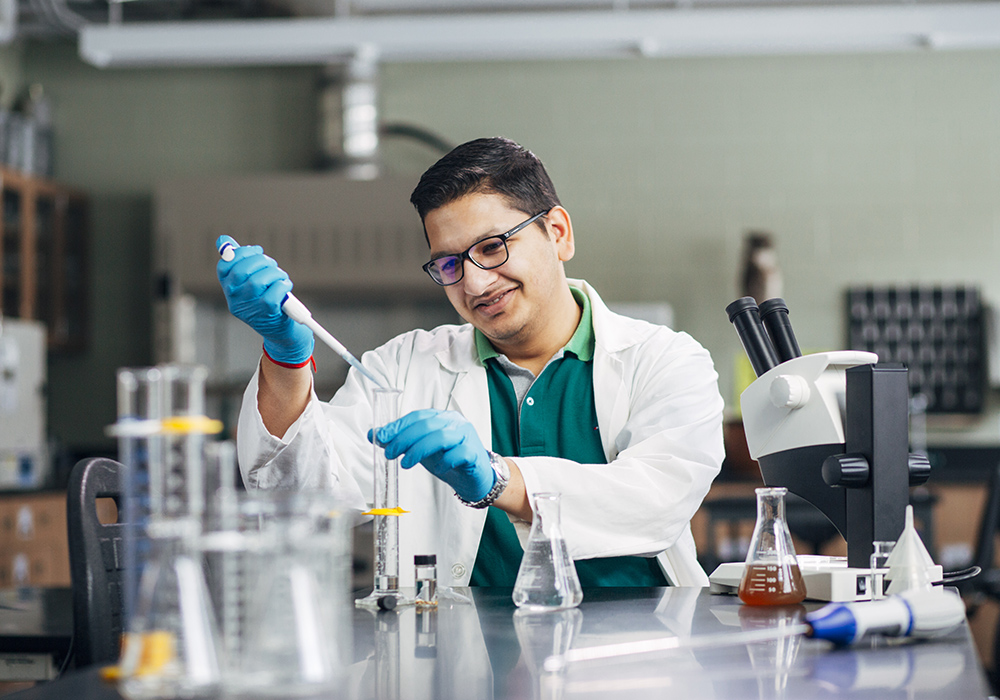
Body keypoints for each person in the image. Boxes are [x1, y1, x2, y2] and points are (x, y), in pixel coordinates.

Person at [217, 137, 724, 588]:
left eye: (493, 247)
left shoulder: (665, 360)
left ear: (559, 232)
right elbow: (304, 498)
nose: (475, 284)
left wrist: (498, 479)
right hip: (461, 658)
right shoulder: (403, 367)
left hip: (639, 660)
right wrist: (285, 356)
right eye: (450, 263)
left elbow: (656, 501)